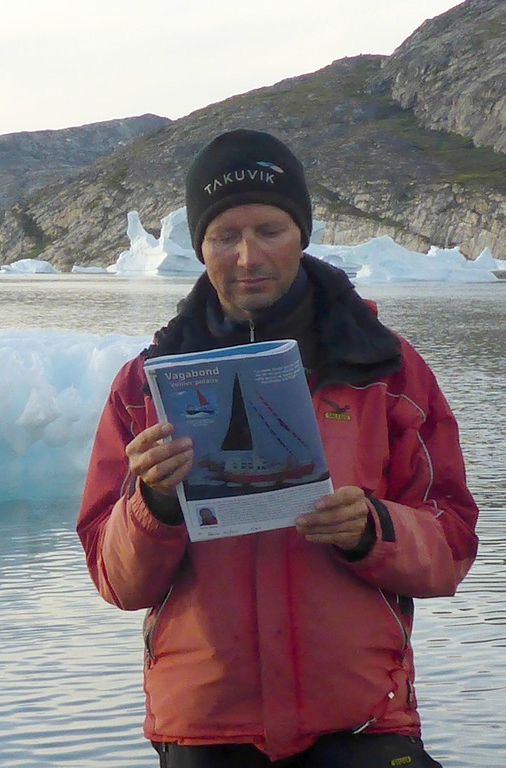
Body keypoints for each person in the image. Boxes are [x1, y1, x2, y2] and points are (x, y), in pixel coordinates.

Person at [76, 129, 479, 767]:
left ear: (303, 233)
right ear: (200, 247)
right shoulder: (144, 388)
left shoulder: (388, 373)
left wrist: (374, 529)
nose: (247, 256)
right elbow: (115, 579)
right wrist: (154, 502)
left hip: (361, 723)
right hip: (208, 729)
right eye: (224, 236)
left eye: (269, 229)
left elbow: (454, 542)